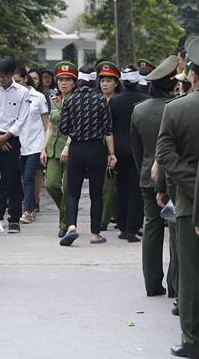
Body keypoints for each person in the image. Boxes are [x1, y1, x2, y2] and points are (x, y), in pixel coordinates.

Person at [155, 37, 199, 359]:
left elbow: (165, 156)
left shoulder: (176, 109)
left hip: (186, 202)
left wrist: (195, 187)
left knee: (192, 275)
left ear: (193, 75)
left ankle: (194, 340)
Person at [132, 55, 179, 295]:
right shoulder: (178, 106)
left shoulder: (139, 110)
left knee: (151, 228)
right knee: (175, 231)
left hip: (147, 175)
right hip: (174, 175)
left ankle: (152, 283)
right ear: (172, 85)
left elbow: (136, 150)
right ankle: (174, 285)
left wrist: (144, 169)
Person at [59, 61, 117, 246]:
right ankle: (95, 234)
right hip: (96, 150)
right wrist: (112, 153)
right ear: (94, 82)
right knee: (96, 194)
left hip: (76, 148)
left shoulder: (69, 100)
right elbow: (108, 129)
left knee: (72, 192)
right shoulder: (101, 100)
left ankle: (71, 227)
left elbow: (63, 127)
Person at [0, 56, 30, 233]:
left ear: (12, 74)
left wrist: (5, 138)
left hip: (11, 139)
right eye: (0, 75)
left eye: (5, 76)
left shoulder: (22, 92)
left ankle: (14, 218)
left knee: (12, 179)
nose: (2, 79)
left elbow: (22, 119)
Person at [108, 66, 146, 240]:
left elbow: (110, 127)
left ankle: (122, 225)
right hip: (139, 148)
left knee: (121, 188)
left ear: (121, 81)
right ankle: (133, 227)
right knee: (136, 189)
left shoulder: (114, 101)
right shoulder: (145, 99)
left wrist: (110, 152)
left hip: (119, 149)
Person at [41, 62, 77, 237]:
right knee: (51, 185)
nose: (63, 83)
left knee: (69, 187)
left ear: (74, 82)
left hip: (71, 148)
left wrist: (68, 147)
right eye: (61, 79)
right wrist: (43, 148)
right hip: (54, 148)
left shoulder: (77, 100)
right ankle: (67, 215)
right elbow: (50, 126)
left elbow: (75, 126)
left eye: (67, 80)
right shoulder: (54, 100)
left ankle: (65, 223)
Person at [14, 67, 49, 224]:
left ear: (25, 79)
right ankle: (25, 206)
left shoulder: (38, 97)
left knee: (28, 177)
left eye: (18, 81)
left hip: (35, 143)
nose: (16, 84)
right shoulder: (11, 95)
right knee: (19, 179)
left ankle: (28, 210)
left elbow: (47, 124)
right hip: (17, 143)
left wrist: (45, 147)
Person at [97, 63, 122, 231]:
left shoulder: (119, 101)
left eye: (108, 80)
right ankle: (105, 217)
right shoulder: (96, 100)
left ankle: (106, 219)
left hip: (118, 146)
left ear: (116, 83)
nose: (105, 84)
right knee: (103, 185)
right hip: (98, 147)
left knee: (112, 186)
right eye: (102, 80)